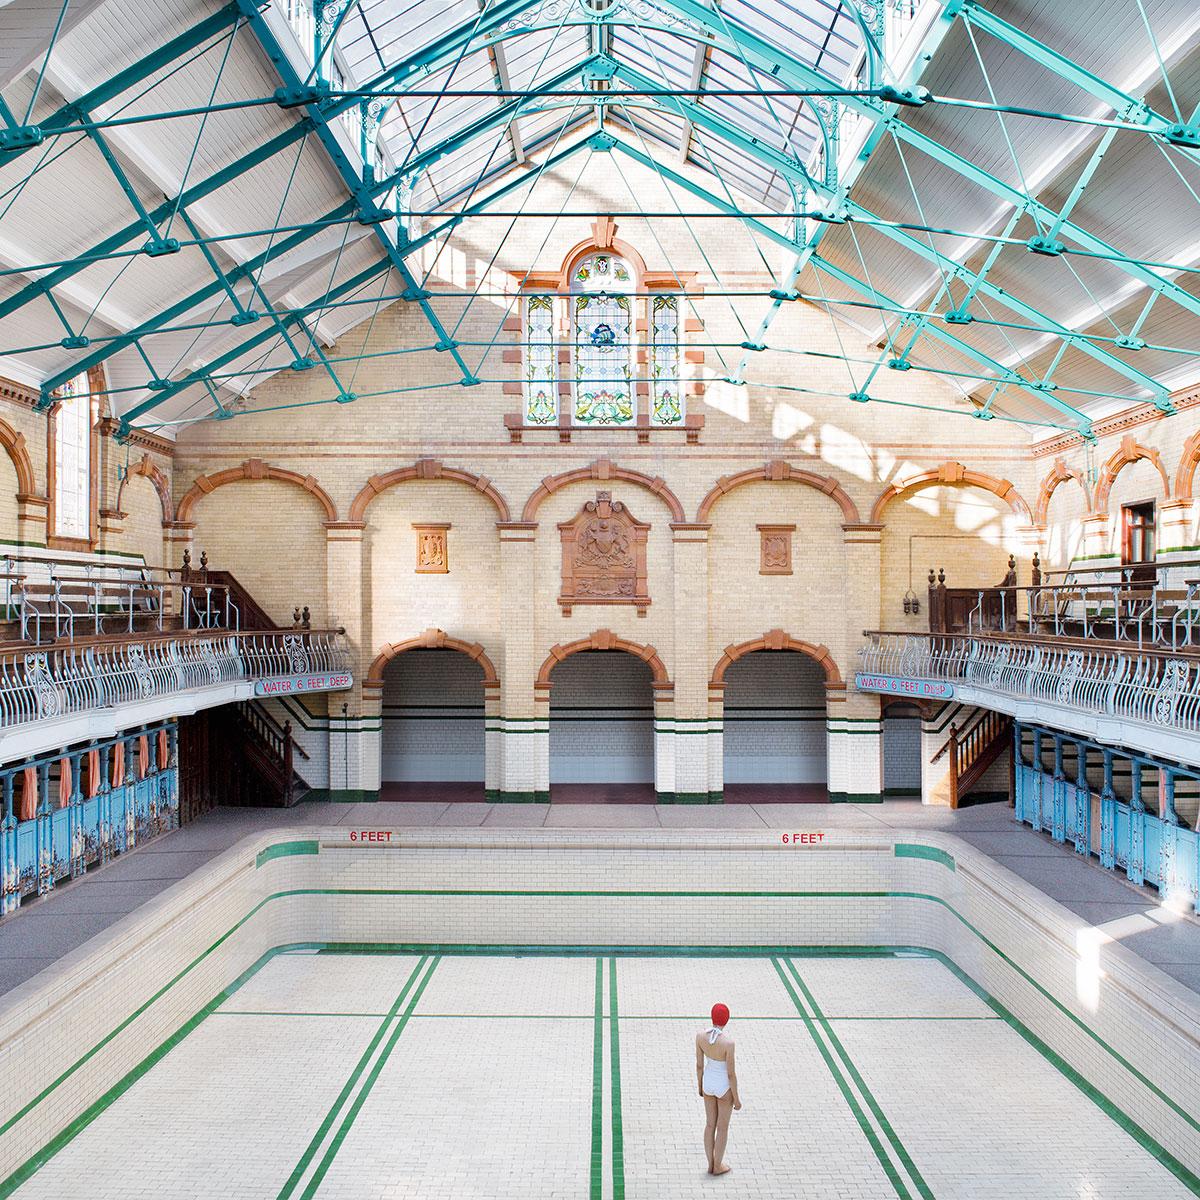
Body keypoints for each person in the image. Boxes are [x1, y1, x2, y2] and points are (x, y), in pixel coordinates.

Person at [696, 1002, 740, 1176]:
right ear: (727, 1020)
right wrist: (736, 1098)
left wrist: (700, 1086)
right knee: (722, 1127)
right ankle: (718, 1165)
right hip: (723, 1086)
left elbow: (699, 1065)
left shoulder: (700, 1036)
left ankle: (709, 1163)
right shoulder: (728, 1043)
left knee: (709, 1124)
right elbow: (731, 1074)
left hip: (708, 1082)